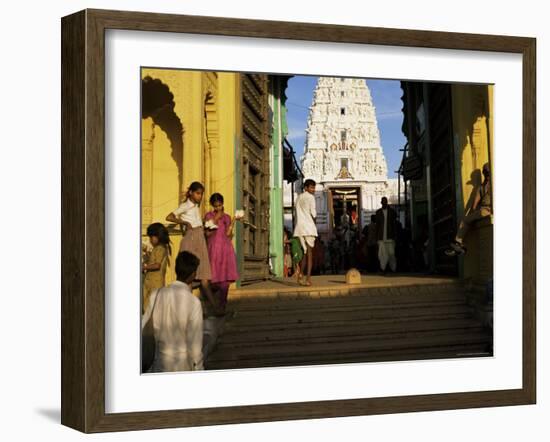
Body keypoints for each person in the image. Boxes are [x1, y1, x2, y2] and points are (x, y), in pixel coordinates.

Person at [166, 181, 222, 316]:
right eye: (197, 193)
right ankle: (192, 311)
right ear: (191, 192)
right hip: (191, 239)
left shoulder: (196, 207)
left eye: (201, 194)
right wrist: (184, 222)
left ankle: (213, 309)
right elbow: (169, 216)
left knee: (204, 277)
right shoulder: (185, 206)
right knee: (189, 278)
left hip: (200, 238)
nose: (200, 196)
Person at [142, 251, 204, 372]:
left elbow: (144, 326)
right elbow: (195, 346)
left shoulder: (156, 294)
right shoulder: (194, 303)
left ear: (176, 270)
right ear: (193, 275)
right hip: (182, 367)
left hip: (158, 364)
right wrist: (200, 369)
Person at [204, 193, 241, 314]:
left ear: (222, 204)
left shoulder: (226, 217)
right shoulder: (208, 216)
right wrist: (216, 218)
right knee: (214, 279)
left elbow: (228, 235)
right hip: (213, 250)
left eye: (220, 205)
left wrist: (234, 221)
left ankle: (222, 306)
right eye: (215, 206)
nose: (218, 208)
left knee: (225, 279)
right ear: (212, 205)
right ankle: (213, 305)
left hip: (225, 250)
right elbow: (207, 234)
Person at [446, 163, 492, 256]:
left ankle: (458, 243)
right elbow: (474, 205)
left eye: (487, 172)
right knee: (467, 220)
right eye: (485, 173)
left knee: (465, 220)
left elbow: (474, 206)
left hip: (487, 210)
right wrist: (471, 216)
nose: (486, 174)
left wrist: (470, 217)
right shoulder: (482, 187)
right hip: (484, 211)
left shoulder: (486, 185)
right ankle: (458, 246)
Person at [142, 223, 171, 313]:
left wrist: (143, 267)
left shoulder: (160, 248)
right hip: (151, 282)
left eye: (151, 237)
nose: (150, 240)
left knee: (151, 308)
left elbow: (157, 265)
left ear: (158, 236)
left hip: (155, 284)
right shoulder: (158, 248)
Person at [293, 179, 318, 286]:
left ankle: (301, 275)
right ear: (306, 188)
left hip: (299, 228)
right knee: (310, 254)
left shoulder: (298, 197)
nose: (313, 190)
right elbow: (314, 214)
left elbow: (295, 213)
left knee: (304, 252)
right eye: (311, 187)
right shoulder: (311, 197)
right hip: (309, 228)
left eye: (314, 187)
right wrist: (315, 223)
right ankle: (308, 278)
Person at [375, 197, 398, 274]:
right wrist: (377, 238)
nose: (384, 203)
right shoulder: (378, 212)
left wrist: (395, 235)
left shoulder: (392, 212)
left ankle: (393, 268)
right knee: (382, 255)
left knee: (391, 254)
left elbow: (394, 224)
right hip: (381, 237)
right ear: (381, 203)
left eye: (385, 202)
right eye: (383, 202)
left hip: (390, 236)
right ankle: (383, 268)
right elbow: (377, 226)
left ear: (387, 202)